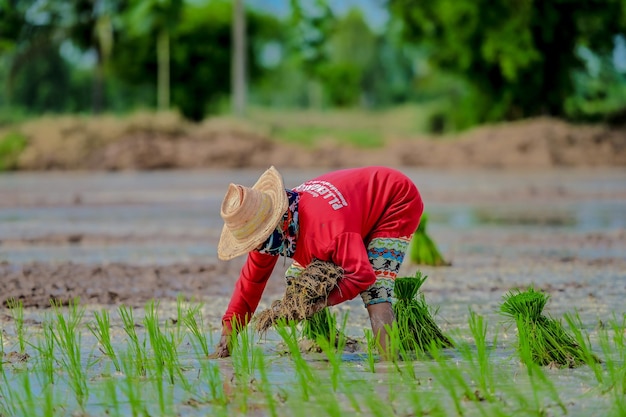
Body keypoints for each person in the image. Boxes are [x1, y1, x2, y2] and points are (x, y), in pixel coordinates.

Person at [212, 165, 423, 358]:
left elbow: (362, 275)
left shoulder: (329, 232)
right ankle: (324, 342)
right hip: (350, 212)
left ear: (277, 224)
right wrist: (228, 333)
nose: (257, 248)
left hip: (394, 200)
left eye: (259, 241)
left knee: (377, 289)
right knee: (298, 279)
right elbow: (251, 283)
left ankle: (392, 365)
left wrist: (315, 306)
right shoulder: (269, 226)